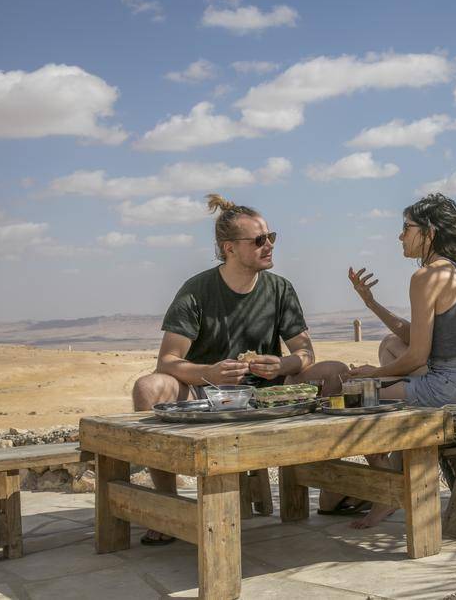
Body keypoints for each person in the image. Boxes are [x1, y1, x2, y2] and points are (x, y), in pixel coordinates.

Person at [131, 193, 340, 545]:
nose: (269, 245)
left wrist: (283, 364)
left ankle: (328, 486)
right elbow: (167, 362)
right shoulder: (197, 291)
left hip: (270, 393)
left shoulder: (280, 289)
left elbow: (305, 353)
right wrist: (209, 373)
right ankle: (167, 504)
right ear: (229, 248)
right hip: (208, 395)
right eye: (258, 240)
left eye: (271, 237)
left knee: (335, 372)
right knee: (147, 387)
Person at [311, 192, 456, 528]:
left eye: (407, 227)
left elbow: (417, 357)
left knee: (352, 395)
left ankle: (387, 489)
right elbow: (412, 337)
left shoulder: (427, 276)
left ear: (429, 232)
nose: (400, 236)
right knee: (390, 344)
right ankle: (388, 470)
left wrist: (373, 375)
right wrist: (371, 303)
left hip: (450, 388)